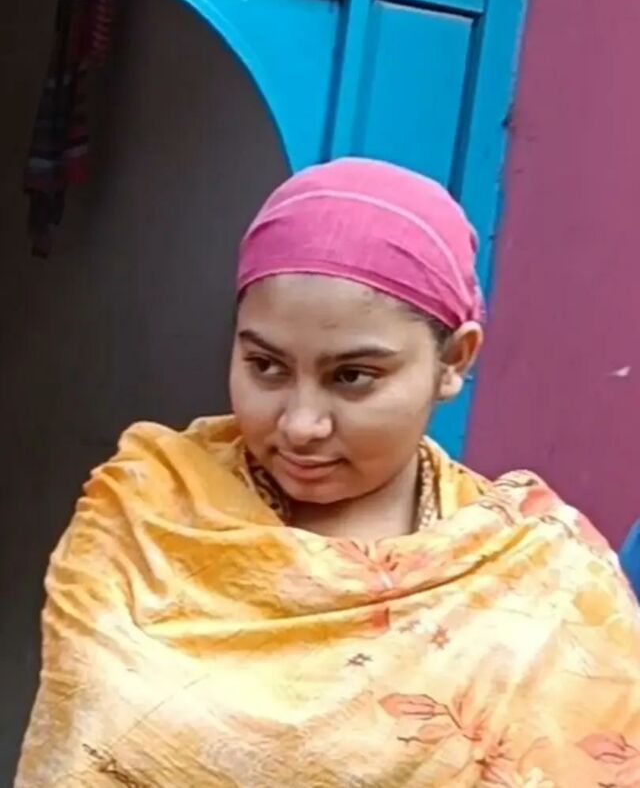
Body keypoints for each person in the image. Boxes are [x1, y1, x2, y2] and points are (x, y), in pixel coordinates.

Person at [16, 159, 640, 787]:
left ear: (454, 360)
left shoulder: (537, 574)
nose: (300, 424)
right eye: (266, 366)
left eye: (352, 377)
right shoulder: (149, 513)